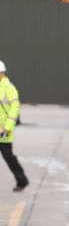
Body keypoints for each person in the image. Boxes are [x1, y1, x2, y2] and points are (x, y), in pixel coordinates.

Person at [0, 62, 28, 192]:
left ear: (2, 73)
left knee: (9, 157)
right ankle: (21, 180)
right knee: (8, 156)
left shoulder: (8, 87)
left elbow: (15, 107)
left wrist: (9, 126)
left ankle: (22, 180)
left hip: (4, 130)